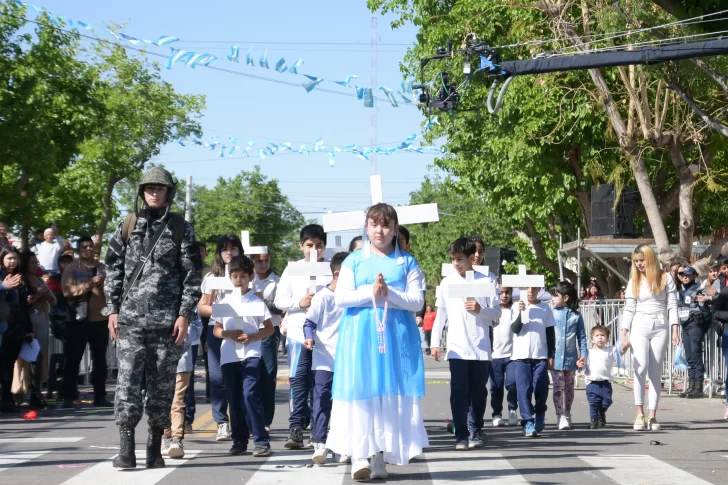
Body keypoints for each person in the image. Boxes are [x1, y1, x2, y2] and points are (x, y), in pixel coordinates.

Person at [103, 166, 201, 469]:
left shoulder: (181, 228)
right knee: (127, 384)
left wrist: (184, 314)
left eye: (160, 188)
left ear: (169, 192)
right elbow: (112, 270)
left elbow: (192, 276)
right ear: (141, 192)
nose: (154, 193)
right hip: (131, 322)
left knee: (161, 388)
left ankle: (155, 446)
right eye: (149, 188)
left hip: (166, 324)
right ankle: (126, 447)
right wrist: (112, 310)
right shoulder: (127, 225)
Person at [326, 203, 429, 481]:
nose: (379, 230)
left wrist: (388, 292)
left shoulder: (407, 262)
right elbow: (341, 298)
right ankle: (359, 454)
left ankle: (380, 456)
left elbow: (417, 301)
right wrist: (369, 292)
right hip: (360, 335)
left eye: (385, 225)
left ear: (395, 229)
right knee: (361, 391)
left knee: (387, 394)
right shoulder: (353, 261)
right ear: (366, 228)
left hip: (395, 336)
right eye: (374, 224)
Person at [431, 237, 501, 451]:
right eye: (453, 259)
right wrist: (435, 342)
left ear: (472, 258)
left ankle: (476, 429)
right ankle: (461, 434)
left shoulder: (487, 280)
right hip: (456, 348)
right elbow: (440, 314)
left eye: (460, 259)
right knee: (458, 392)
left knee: (478, 393)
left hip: (480, 349)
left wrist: (481, 310)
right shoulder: (447, 282)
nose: (456, 264)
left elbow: (496, 313)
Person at [274, 224, 330, 449]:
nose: (314, 250)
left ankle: (320, 430)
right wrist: (299, 303)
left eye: (319, 245)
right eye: (309, 246)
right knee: (299, 381)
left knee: (322, 383)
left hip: (325, 335)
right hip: (298, 333)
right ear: (301, 246)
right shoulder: (292, 269)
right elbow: (279, 300)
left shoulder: (331, 268)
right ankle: (296, 428)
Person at [213, 255, 273, 457]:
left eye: (244, 276)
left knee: (250, 395)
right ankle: (239, 440)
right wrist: (227, 334)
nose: (239, 280)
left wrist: (254, 336)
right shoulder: (225, 301)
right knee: (234, 398)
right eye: (235, 276)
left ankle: (261, 440)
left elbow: (269, 328)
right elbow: (216, 329)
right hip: (229, 355)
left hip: (251, 353)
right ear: (230, 277)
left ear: (251, 277)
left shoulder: (256, 301)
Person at [620, 244, 679, 432]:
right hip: (640, 324)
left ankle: (652, 415)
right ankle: (639, 413)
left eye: (642, 260)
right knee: (641, 366)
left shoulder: (666, 277)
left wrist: (675, 329)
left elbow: (672, 305)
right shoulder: (633, 281)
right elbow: (629, 308)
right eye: (636, 261)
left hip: (661, 325)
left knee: (655, 370)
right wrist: (624, 332)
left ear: (650, 259)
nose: (638, 264)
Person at [198, 234, 244, 442]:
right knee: (217, 379)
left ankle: (241, 421)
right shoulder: (211, 277)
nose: (229, 252)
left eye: (233, 248)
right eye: (225, 249)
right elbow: (203, 307)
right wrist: (222, 310)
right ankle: (222, 423)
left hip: (243, 331)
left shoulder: (245, 274)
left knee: (242, 378)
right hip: (216, 330)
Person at [303, 251, 349, 464]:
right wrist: (309, 338)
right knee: (321, 399)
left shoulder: (353, 297)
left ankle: (340, 445)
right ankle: (320, 443)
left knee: (344, 403)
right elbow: (309, 323)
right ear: (338, 273)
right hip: (323, 358)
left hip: (348, 358)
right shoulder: (323, 297)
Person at [61, 236, 111, 408]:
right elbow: (67, 291)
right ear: (78, 250)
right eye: (84, 247)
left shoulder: (103, 268)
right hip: (76, 320)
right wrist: (89, 284)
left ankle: (100, 396)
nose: (88, 249)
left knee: (100, 360)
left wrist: (105, 281)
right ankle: (68, 397)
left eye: (91, 246)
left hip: (100, 320)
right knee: (73, 359)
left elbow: (114, 291)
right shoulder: (72, 268)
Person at [511, 285, 556, 437]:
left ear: (539, 290)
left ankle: (540, 411)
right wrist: (521, 313)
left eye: (533, 288)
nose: (530, 291)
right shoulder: (516, 306)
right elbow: (515, 329)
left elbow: (550, 334)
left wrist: (551, 355)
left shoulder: (545, 308)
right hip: (520, 357)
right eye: (527, 289)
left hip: (540, 356)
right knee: (523, 390)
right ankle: (527, 421)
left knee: (540, 388)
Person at [162, 314, 202, 459]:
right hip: (159, 361)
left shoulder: (188, 302)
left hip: (182, 360)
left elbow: (197, 328)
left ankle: (177, 439)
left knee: (177, 401)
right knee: (163, 400)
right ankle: (166, 435)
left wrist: (182, 332)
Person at [20, 250, 55, 409]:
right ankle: (25, 392)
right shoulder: (22, 280)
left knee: (41, 357)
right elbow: (23, 302)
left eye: (36, 262)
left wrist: (45, 294)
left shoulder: (40, 280)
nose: (35, 265)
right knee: (28, 357)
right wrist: (36, 296)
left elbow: (53, 301)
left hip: (41, 318)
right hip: (28, 320)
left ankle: (37, 391)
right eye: (31, 262)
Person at [0, 246, 34, 412]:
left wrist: (29, 328)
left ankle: (7, 399)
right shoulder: (2, 277)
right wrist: (4, 287)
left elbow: (23, 305)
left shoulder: (21, 278)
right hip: (4, 325)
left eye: (15, 258)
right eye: (9, 258)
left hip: (17, 326)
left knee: (9, 364)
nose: (12, 261)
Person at [251, 250, 282, 430]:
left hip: (269, 330)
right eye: (259, 261)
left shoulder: (277, 281)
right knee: (250, 374)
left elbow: (280, 306)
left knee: (268, 374)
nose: (264, 264)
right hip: (248, 329)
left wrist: (262, 302)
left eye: (267, 261)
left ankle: (266, 419)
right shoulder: (247, 278)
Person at [550, 281, 587, 430]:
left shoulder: (576, 316)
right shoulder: (551, 314)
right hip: (555, 358)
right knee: (558, 387)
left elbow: (582, 337)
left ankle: (567, 412)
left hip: (571, 359)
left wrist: (583, 354)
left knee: (569, 388)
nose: (552, 298)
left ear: (565, 298)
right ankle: (560, 415)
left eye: (555, 295)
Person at [581, 325, 628, 429]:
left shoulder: (611, 350)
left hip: (605, 383)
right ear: (592, 339)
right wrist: (580, 364)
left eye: (603, 335)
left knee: (607, 401)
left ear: (607, 339)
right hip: (592, 382)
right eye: (597, 335)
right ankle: (594, 421)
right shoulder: (588, 352)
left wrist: (624, 350)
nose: (600, 337)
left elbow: (619, 355)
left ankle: (601, 413)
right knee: (593, 403)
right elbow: (583, 365)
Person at [677, 266, 711, 399]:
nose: (685, 277)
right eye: (683, 275)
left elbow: (706, 313)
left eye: (688, 275)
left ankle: (698, 387)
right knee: (690, 357)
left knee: (696, 356)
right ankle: (691, 386)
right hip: (686, 326)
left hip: (695, 325)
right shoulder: (683, 291)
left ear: (694, 276)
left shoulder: (699, 291)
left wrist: (703, 329)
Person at [490, 284, 519, 427]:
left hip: (512, 355)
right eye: (501, 292)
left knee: (512, 383)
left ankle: (513, 409)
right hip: (494, 355)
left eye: (507, 292)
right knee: (496, 386)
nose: (504, 295)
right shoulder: (492, 311)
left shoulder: (514, 310)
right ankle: (497, 414)